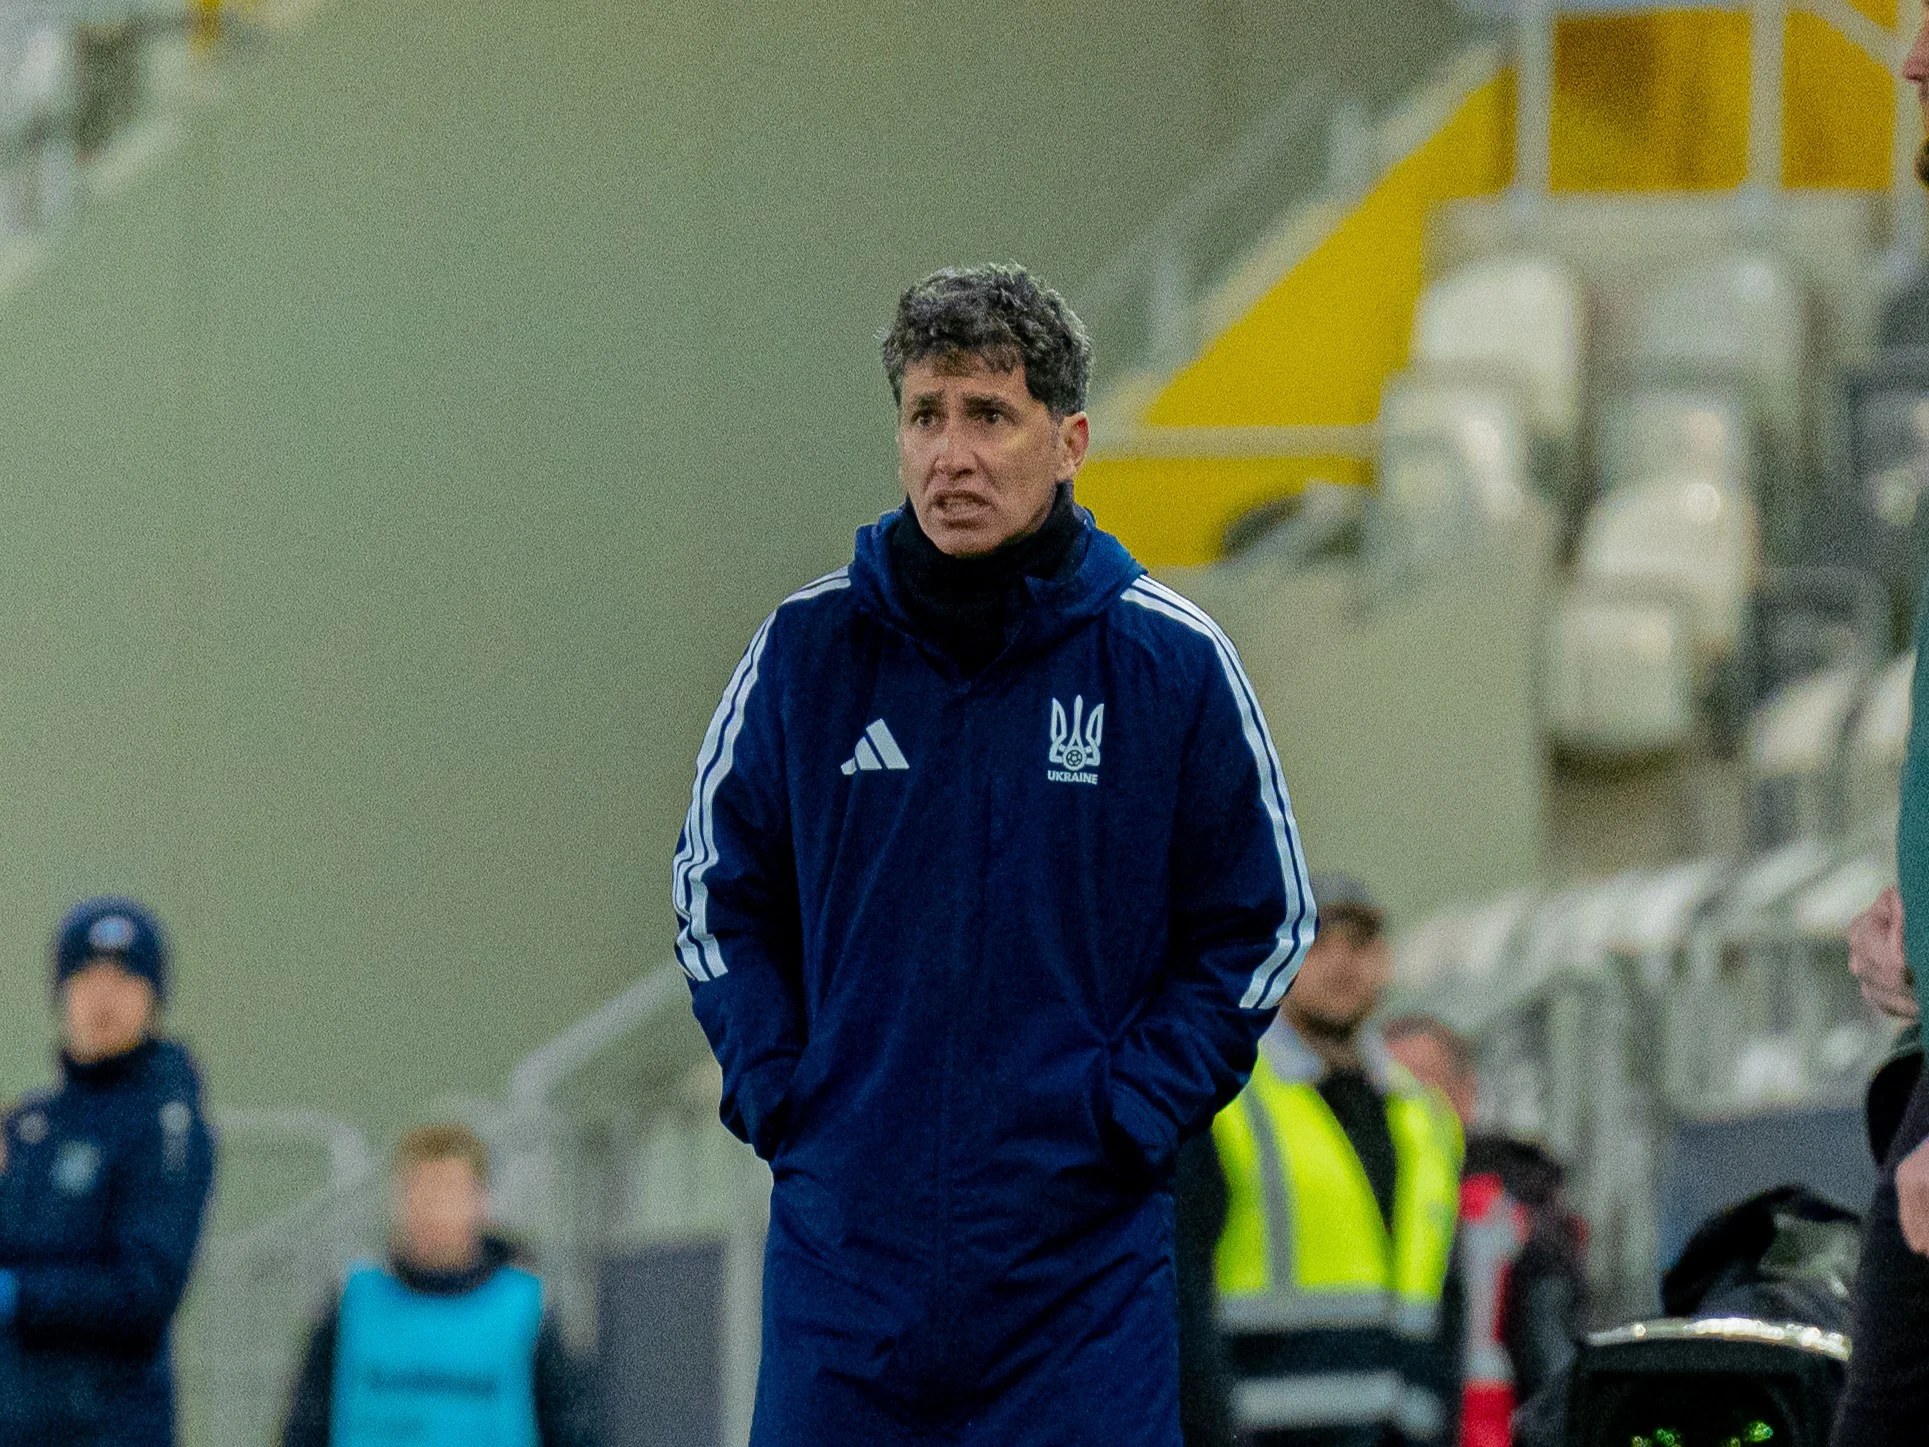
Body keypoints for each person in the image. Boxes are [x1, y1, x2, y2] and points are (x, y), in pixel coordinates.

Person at [671, 263, 1315, 1445]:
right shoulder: (807, 652)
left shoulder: (1169, 663)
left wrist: (1129, 1111)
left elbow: (1261, 922)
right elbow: (717, 894)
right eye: (926, 415)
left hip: (1076, 1290)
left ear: (1070, 442)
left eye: (989, 416)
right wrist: (784, 1090)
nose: (951, 456)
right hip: (846, 1276)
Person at [1176, 874, 1463, 1447]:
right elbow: (1183, 1288)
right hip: (1265, 1431)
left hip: (1398, 1432)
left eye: (1359, 944)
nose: (1341, 963)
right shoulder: (1227, 1098)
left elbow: (1446, 1303)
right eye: (1317, 942)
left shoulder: (1423, 1116)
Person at [0, 896, 216, 1447]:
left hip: (109, 1426)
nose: (104, 996)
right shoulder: (30, 1126)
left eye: (124, 978)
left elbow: (144, 1291)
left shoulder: (167, 1124)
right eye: (87, 976)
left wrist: (19, 1294)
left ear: (153, 996)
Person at [281, 1122, 595, 1447]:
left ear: (481, 1200)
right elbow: (305, 1427)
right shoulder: (353, 1303)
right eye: (420, 1192)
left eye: (448, 1193)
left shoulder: (528, 1309)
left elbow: (571, 1430)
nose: (433, 1211)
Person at [1382, 1015, 1588, 1447]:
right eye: (1391, 1088)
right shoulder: (1349, 1193)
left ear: (1466, 1092)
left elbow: (1553, 1364)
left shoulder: (1518, 1208)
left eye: (1424, 1084)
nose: (1407, 1103)